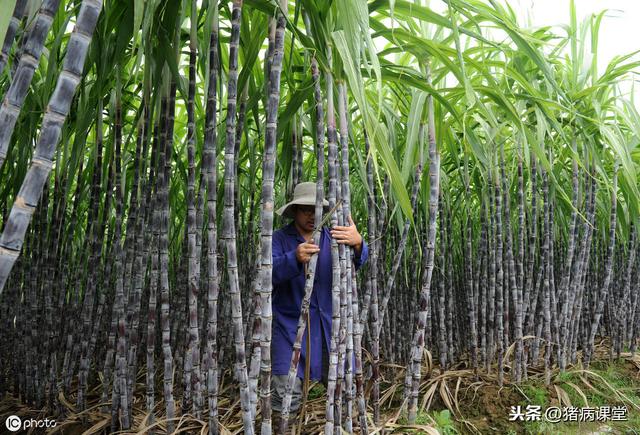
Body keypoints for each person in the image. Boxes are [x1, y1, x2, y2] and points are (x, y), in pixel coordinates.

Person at [270, 181, 368, 431]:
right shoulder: (280, 240)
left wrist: (358, 244)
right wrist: (294, 258)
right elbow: (265, 273)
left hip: (331, 329)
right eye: (305, 210)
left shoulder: (334, 237)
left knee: (344, 394)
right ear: (294, 211)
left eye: (316, 210)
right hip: (289, 329)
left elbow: (356, 263)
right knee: (285, 399)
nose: (312, 216)